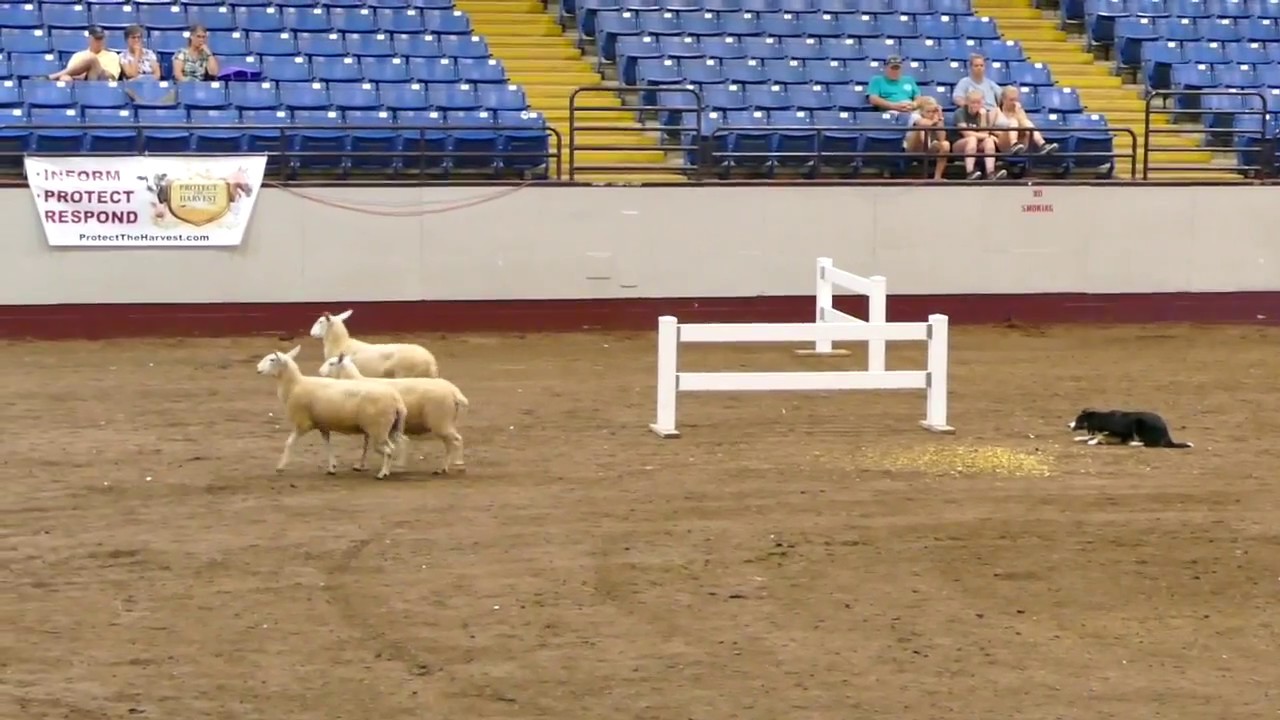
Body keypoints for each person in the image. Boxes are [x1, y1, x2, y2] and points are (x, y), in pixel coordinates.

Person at [952, 90, 1006, 180]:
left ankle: (990, 173)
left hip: (977, 144)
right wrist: (988, 136)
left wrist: (984, 118)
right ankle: (970, 172)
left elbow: (984, 133)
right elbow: (966, 133)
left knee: (989, 141)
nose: (976, 105)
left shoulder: (983, 114)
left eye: (978, 102)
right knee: (972, 139)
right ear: (967, 102)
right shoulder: (960, 112)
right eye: (973, 102)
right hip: (959, 144)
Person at [992, 86, 1059, 156]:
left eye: (1016, 100)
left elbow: (1023, 124)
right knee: (1013, 121)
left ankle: (1042, 145)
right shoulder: (996, 111)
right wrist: (1001, 133)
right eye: (1011, 100)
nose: (1014, 103)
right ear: (1003, 100)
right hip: (1003, 142)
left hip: (1021, 141)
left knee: (1026, 122)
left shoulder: (1019, 110)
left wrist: (1017, 112)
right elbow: (989, 130)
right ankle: (1014, 144)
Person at [49, 25, 121, 82]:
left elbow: (111, 76)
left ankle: (52, 77)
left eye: (101, 39)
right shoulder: (78, 55)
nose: (99, 42)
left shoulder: (112, 56)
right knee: (65, 78)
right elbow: (70, 73)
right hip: (81, 84)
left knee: (91, 58)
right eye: (96, 39)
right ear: (89, 39)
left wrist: (91, 68)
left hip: (101, 84)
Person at [905, 96, 951, 180]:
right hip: (913, 146)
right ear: (921, 111)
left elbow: (942, 138)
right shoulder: (915, 116)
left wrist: (940, 117)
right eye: (928, 111)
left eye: (933, 111)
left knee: (945, 144)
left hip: (929, 146)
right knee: (922, 128)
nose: (931, 114)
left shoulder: (937, 117)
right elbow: (925, 123)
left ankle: (937, 177)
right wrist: (934, 121)